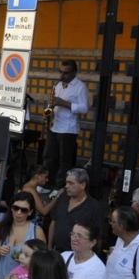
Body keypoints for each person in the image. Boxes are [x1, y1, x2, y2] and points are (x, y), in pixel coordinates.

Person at [43, 60, 89, 189]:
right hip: (54, 126)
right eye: (61, 72)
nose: (62, 75)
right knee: (49, 156)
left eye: (66, 73)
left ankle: (60, 187)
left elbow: (84, 108)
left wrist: (64, 103)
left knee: (64, 161)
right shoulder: (58, 86)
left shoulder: (80, 87)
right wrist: (50, 107)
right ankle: (48, 183)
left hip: (68, 129)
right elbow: (53, 102)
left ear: (74, 72)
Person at [48, 168, 103, 253]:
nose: (66, 186)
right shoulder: (62, 198)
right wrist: (49, 247)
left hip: (78, 256)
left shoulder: (94, 207)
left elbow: (97, 237)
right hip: (56, 252)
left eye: (71, 183)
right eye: (66, 182)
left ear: (83, 185)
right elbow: (53, 222)